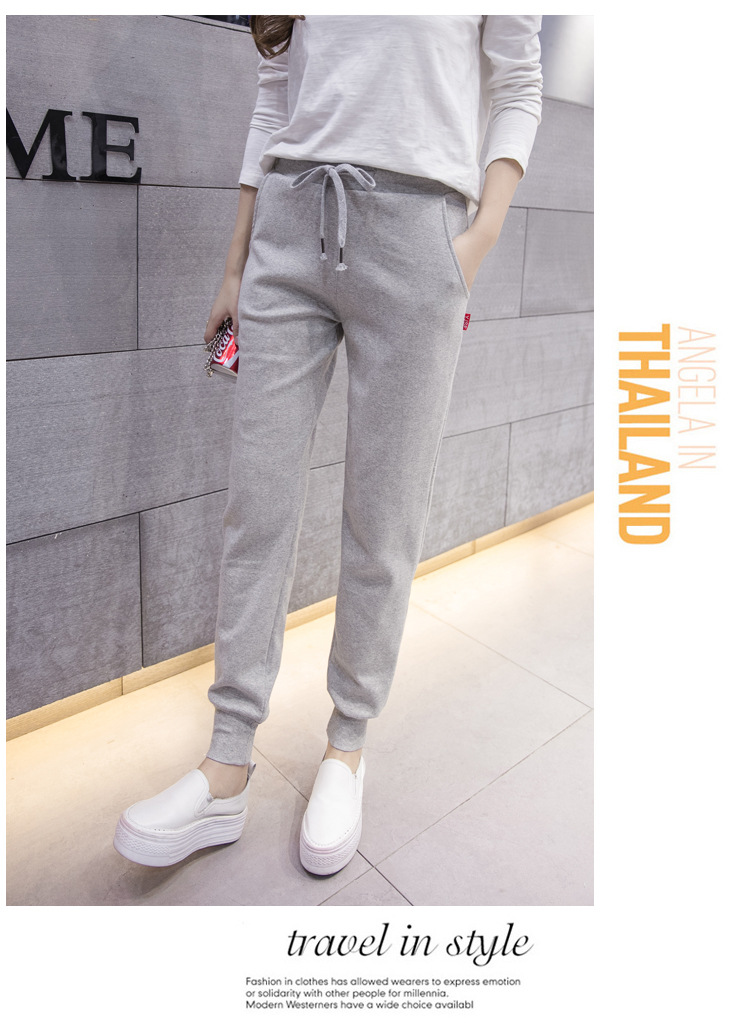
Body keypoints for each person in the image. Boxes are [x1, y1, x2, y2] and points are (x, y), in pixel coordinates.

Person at [114, 14, 543, 875]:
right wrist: (235, 263)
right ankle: (227, 761)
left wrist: (476, 241)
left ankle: (347, 743)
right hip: (288, 227)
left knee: (383, 517)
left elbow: (518, 86)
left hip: (420, 239)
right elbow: (275, 96)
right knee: (257, 507)